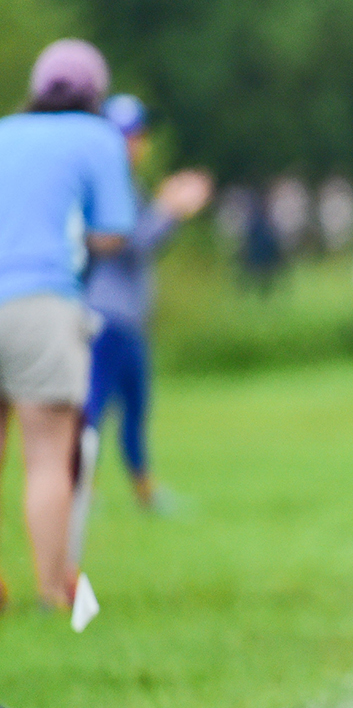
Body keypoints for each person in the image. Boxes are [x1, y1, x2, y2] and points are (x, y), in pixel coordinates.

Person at [0, 40, 137, 610]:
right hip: (42, 302)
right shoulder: (98, 138)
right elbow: (113, 233)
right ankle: (53, 589)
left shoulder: (4, 132)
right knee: (47, 456)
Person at [82, 94, 213, 511]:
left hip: (129, 319)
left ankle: (144, 491)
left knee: (135, 410)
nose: (133, 144)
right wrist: (172, 209)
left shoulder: (128, 185)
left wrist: (166, 208)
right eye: (124, 136)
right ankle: (83, 487)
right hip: (105, 315)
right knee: (94, 408)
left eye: (136, 135)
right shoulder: (105, 185)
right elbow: (133, 243)